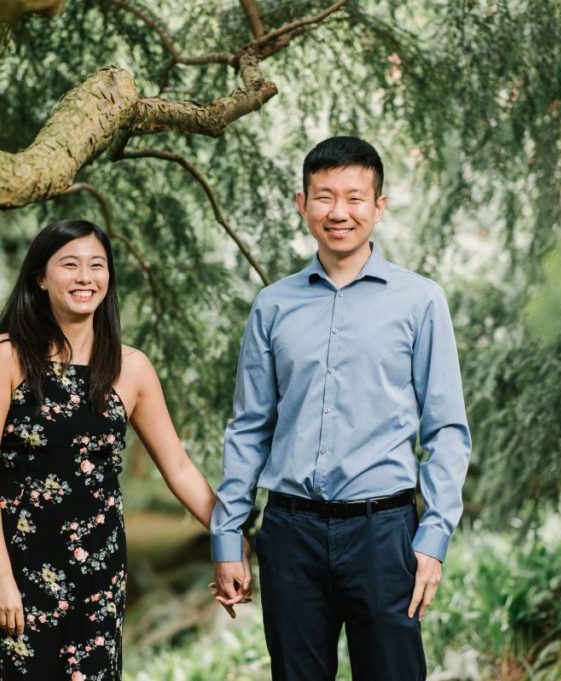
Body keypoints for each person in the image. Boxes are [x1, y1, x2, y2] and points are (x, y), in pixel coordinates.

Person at [210, 137, 471, 681]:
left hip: (384, 534)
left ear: (378, 206)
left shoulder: (421, 301)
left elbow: (445, 429)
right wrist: (228, 535)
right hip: (290, 532)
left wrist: (434, 536)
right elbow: (249, 428)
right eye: (324, 197)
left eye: (355, 198)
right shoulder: (273, 306)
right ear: (303, 204)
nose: (339, 212)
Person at [0, 219, 249, 680]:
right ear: (40, 277)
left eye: (96, 265)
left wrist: (230, 539)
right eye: (69, 265)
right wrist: (0, 576)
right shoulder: (6, 356)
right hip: (14, 565)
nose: (84, 277)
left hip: (97, 571)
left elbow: (178, 467)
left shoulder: (131, 369)